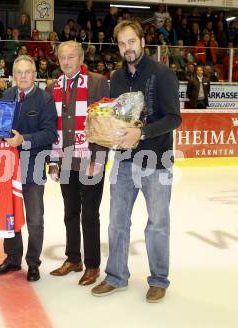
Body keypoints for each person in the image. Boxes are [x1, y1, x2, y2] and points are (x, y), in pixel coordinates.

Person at [90, 20, 181, 303]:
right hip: (125, 162)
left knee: (157, 224)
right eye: (121, 43)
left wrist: (141, 133)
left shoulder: (163, 74)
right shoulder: (116, 78)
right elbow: (117, 117)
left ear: (142, 41)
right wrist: (99, 128)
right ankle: (116, 276)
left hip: (157, 161)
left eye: (131, 41)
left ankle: (158, 279)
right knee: (117, 221)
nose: (127, 48)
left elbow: (173, 118)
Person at [47, 41, 109, 286]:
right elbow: (53, 127)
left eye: (71, 56)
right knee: (70, 213)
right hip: (64, 161)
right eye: (62, 57)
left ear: (81, 57)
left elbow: (104, 124)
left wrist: (98, 158)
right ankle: (74, 259)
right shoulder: (54, 86)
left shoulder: (97, 82)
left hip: (90, 160)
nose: (66, 61)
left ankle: (92, 265)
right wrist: (52, 161)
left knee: (90, 215)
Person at [0, 55, 58, 282]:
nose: (23, 76)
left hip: (33, 168)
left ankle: (33, 262)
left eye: (27, 72)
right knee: (10, 217)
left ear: (35, 75)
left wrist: (24, 140)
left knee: (35, 219)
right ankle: (12, 259)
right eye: (18, 72)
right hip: (8, 169)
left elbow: (50, 134)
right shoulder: (7, 95)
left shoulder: (45, 100)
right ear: (12, 75)